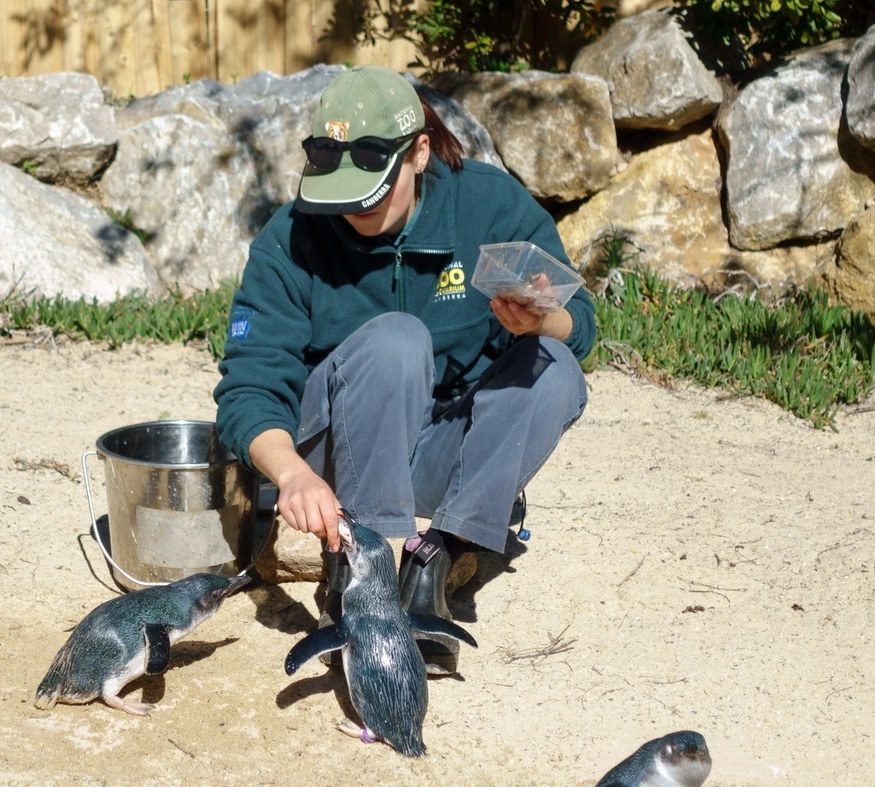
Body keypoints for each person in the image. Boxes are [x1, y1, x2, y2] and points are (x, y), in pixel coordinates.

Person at [213, 65, 595, 657]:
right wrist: (291, 474)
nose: (353, 214)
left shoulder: (487, 207)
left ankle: (435, 561)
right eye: (340, 197)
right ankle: (366, 570)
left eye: (370, 193)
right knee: (396, 339)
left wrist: (541, 319)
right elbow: (247, 390)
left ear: (418, 153)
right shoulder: (289, 238)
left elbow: (582, 326)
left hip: (436, 448)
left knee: (555, 365)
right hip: (331, 455)